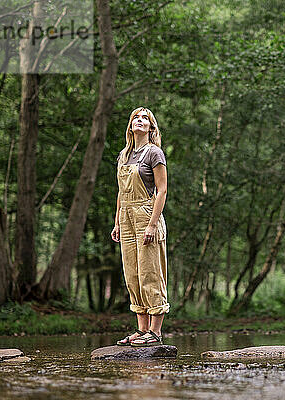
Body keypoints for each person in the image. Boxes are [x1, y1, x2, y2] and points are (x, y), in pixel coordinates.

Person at [111, 107, 169, 347]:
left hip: (147, 214)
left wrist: (153, 224)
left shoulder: (154, 153)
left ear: (151, 127)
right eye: (136, 117)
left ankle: (155, 332)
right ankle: (141, 329)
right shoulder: (123, 155)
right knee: (132, 273)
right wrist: (116, 221)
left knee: (150, 272)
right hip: (126, 216)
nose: (140, 121)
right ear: (130, 125)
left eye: (145, 118)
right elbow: (120, 192)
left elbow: (162, 190)